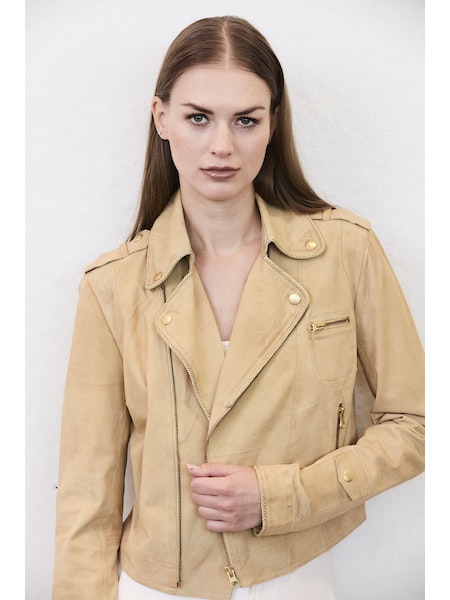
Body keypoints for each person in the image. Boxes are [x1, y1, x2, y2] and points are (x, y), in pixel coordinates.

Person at [52, 15, 425, 600]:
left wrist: (282, 496)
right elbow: (86, 496)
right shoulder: (112, 286)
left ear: (273, 123)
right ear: (161, 119)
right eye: (198, 117)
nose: (222, 146)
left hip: (296, 579)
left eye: (246, 120)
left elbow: (418, 423)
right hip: (157, 586)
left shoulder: (346, 252)